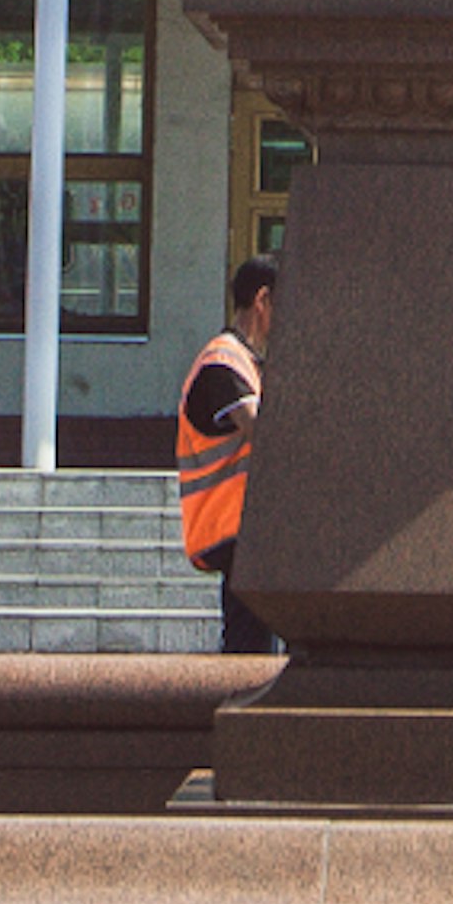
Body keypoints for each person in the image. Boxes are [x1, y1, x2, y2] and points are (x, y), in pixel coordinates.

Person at [176, 253, 280, 652]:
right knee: (248, 643)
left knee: (255, 638)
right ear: (263, 300)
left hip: (248, 528)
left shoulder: (249, 363)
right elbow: (263, 432)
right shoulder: (223, 362)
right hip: (231, 526)